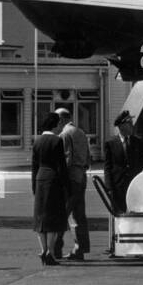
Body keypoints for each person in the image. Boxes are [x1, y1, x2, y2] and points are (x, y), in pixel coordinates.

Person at [53, 108, 90, 261]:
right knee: (79, 214)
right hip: (81, 176)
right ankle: (80, 248)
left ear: (61, 120)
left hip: (70, 178)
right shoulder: (80, 132)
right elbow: (88, 156)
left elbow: (66, 159)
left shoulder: (64, 135)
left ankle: (55, 248)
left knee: (62, 214)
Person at [31, 112, 68, 266]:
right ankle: (50, 252)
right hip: (53, 180)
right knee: (53, 216)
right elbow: (61, 166)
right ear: (54, 125)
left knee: (40, 216)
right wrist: (66, 186)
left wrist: (34, 185)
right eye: (59, 124)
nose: (60, 127)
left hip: (40, 178)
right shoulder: (57, 141)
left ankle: (43, 248)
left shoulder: (37, 141)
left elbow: (34, 166)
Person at [102, 110, 143, 231]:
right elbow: (107, 166)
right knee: (117, 216)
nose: (132, 126)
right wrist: (109, 187)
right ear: (121, 126)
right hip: (118, 186)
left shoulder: (137, 142)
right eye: (129, 123)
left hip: (134, 185)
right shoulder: (110, 143)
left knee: (134, 214)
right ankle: (114, 243)